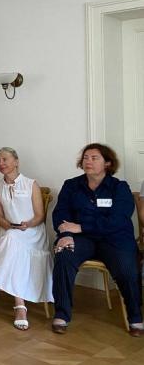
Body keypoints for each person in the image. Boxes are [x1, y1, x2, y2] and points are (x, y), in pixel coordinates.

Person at [51, 143, 143, 336]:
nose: (88, 161)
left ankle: (135, 316)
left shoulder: (120, 187)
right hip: (82, 239)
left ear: (107, 163)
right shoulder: (71, 185)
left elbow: (118, 220)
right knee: (64, 254)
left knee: (127, 268)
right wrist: (66, 235)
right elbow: (60, 213)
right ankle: (61, 314)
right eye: (85, 157)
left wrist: (81, 226)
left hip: (114, 239)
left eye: (94, 158)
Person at [0, 147, 53, 330]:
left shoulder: (31, 184)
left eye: (4, 159)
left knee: (12, 241)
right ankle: (20, 307)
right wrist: (7, 225)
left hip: (33, 233)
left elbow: (39, 216)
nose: (1, 164)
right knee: (12, 240)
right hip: (9, 232)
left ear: (16, 161)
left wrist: (28, 224)